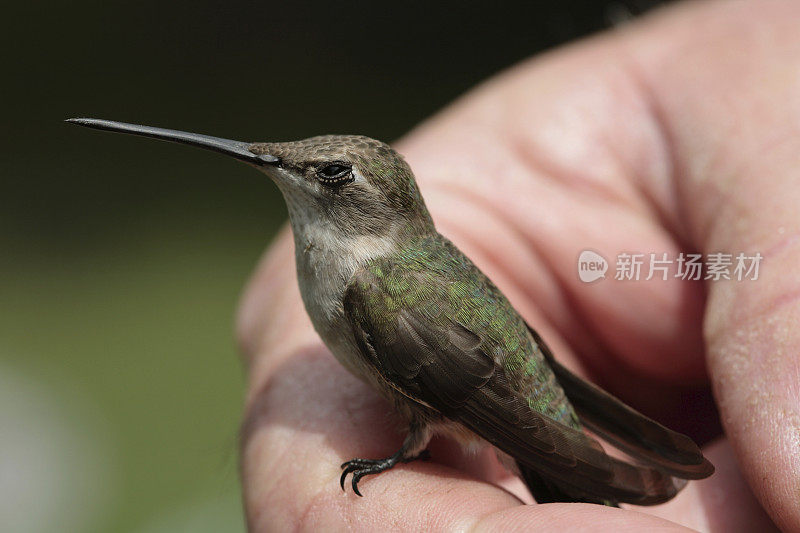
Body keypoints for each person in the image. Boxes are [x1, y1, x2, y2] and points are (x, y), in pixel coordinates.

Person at [235, 1, 797, 530]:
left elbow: (464, 382)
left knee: (556, 474)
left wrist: (409, 451)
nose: (279, 162)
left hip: (486, 393)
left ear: (375, 205)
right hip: (500, 375)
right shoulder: (377, 270)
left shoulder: (372, 290)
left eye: (332, 173)